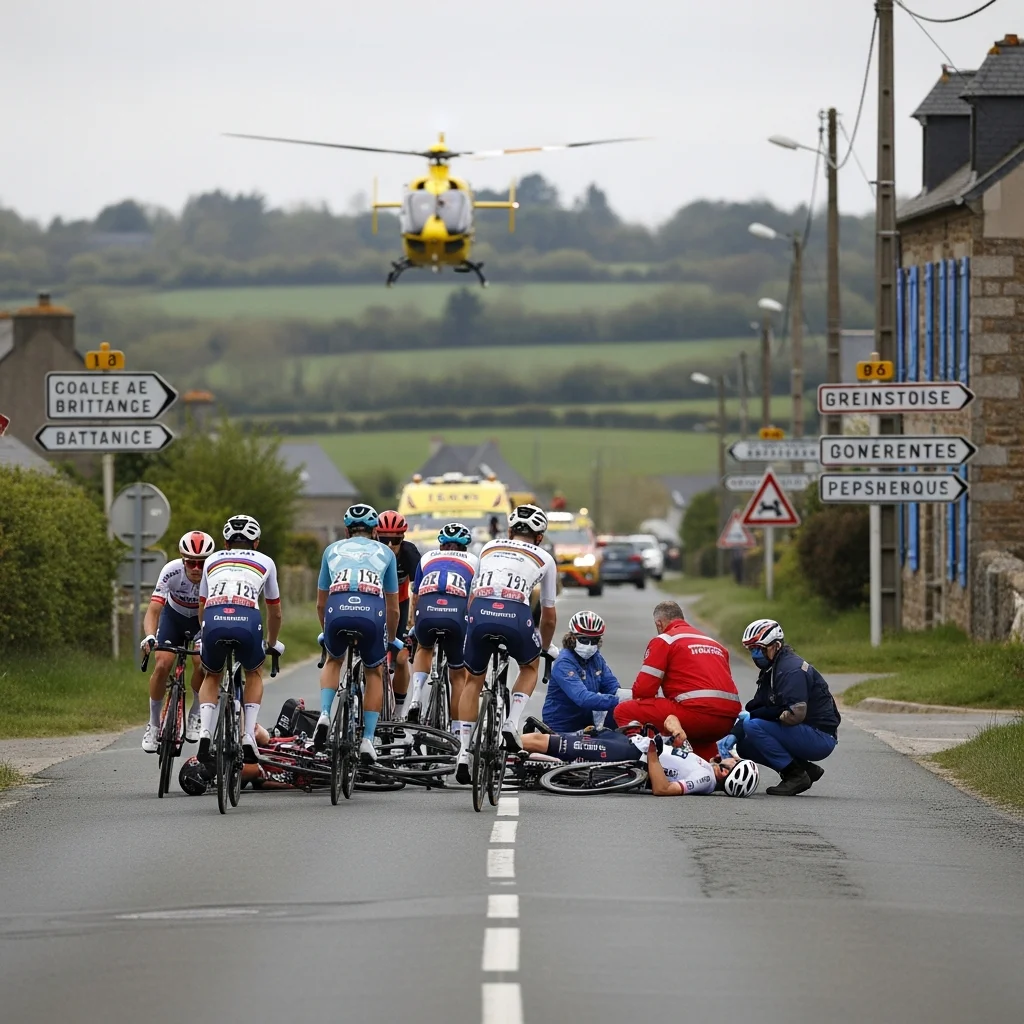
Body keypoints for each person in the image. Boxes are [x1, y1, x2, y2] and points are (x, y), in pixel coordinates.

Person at [457, 504, 559, 781]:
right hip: (515, 614)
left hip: (479, 612)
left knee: (472, 680)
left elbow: (471, 596)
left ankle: (464, 751)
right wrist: (544, 648)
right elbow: (548, 616)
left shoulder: (488, 547)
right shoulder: (545, 558)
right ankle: (512, 722)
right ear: (539, 537)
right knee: (529, 666)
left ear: (510, 530)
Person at [314, 504, 401, 764]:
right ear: (375, 531)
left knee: (333, 659)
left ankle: (325, 715)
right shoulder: (386, 552)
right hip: (371, 610)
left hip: (337, 608)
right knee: (374, 671)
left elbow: (320, 603)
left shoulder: (332, 550)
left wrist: (326, 633)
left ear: (346, 531)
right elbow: (393, 608)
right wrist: (390, 639)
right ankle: (367, 741)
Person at [196, 515, 285, 766]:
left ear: (225, 543)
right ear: (255, 542)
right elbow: (275, 610)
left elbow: (201, 606)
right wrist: (272, 641)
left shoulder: (211, 560)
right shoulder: (266, 561)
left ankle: (204, 733)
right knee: (254, 672)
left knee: (211, 674)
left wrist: (205, 633)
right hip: (247, 618)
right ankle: (247, 736)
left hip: (213, 617)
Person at [612, 600, 742, 761]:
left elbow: (643, 691)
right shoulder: (714, 643)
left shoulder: (665, 640)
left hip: (695, 715)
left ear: (659, 623)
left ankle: (644, 762)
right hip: (726, 721)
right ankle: (709, 769)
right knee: (703, 754)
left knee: (624, 710)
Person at [519, 715, 759, 797]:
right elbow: (671, 720)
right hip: (630, 742)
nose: (730, 757)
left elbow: (663, 789)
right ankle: (512, 749)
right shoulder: (704, 765)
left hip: (631, 752)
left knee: (546, 742)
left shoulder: (704, 780)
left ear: (726, 772)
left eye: (734, 760)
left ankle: (497, 743)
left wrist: (653, 754)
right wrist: (677, 730)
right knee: (578, 734)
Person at [734, 618, 841, 796]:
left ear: (775, 645)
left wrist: (761, 716)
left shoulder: (791, 669)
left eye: (759, 649)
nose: (755, 655)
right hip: (805, 730)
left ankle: (796, 775)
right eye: (752, 650)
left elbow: (795, 715)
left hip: (820, 736)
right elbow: (756, 707)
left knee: (753, 726)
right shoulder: (772, 668)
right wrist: (733, 734)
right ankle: (805, 769)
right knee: (744, 745)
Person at [139, 530, 215, 752]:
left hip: (202, 620)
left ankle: (195, 713)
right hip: (174, 618)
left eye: (201, 564)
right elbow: (153, 609)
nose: (196, 569)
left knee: (202, 663)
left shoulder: (214, 574)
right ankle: (153, 725)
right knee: (163, 663)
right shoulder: (171, 571)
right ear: (183, 560)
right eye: (191, 563)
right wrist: (150, 636)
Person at [406, 522, 479, 725]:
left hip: (427, 610)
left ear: (441, 546)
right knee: (458, 676)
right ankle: (457, 729)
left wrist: (413, 623)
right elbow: (474, 599)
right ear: (465, 547)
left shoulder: (427, 558)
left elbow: (416, 596)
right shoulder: (474, 561)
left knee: (424, 647)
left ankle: (416, 698)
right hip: (456, 615)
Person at [541, 610, 623, 734]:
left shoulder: (596, 658)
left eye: (594, 641)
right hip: (560, 728)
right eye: (584, 640)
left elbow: (613, 688)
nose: (589, 645)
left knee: (623, 710)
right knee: (619, 702)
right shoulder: (564, 662)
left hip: (586, 726)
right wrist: (620, 700)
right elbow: (582, 698)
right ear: (573, 637)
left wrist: (635, 698)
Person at [376, 511, 421, 720]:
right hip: (374, 603)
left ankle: (398, 712)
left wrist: (415, 621)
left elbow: (419, 589)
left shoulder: (409, 553)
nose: (390, 545)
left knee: (402, 658)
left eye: (395, 540)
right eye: (384, 539)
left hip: (400, 604)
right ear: (375, 536)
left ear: (403, 539)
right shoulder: (370, 552)